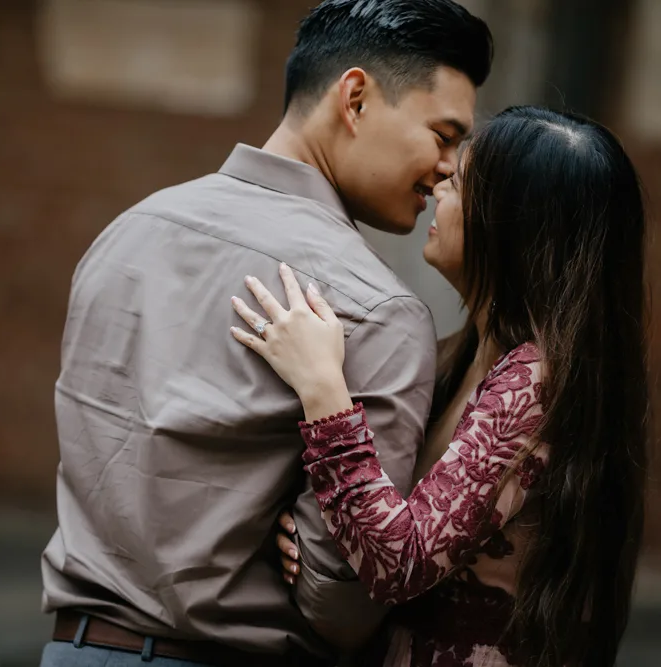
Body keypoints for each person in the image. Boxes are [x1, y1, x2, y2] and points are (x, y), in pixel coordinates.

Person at [39, 2, 493, 666]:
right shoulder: (374, 309)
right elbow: (343, 603)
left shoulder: (125, 236)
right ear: (357, 99)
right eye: (444, 134)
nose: (452, 168)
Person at [230, 106, 650, 667]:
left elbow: (399, 562)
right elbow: (390, 528)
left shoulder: (537, 382)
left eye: (459, 184)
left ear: (511, 224)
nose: (437, 187)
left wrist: (322, 385)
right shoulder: (468, 353)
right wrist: (314, 537)